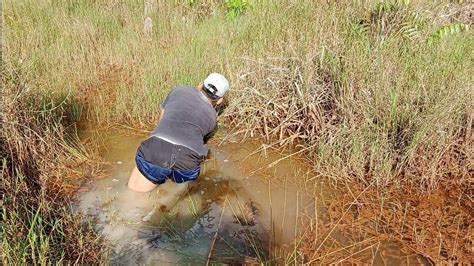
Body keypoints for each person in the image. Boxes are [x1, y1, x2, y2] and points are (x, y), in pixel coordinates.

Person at [127, 73, 229, 192]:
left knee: (133, 192)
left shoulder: (179, 90)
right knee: (173, 180)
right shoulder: (212, 118)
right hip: (187, 166)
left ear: (200, 84)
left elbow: (161, 121)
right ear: (219, 101)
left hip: (157, 150)